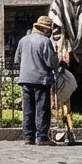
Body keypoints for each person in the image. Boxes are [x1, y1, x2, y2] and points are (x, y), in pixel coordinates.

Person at [15, 15, 59, 146]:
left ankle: (28, 137)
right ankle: (42, 137)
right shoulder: (45, 42)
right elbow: (51, 61)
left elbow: (17, 59)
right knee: (42, 109)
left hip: (25, 78)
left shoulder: (23, 40)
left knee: (28, 110)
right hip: (41, 79)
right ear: (46, 30)